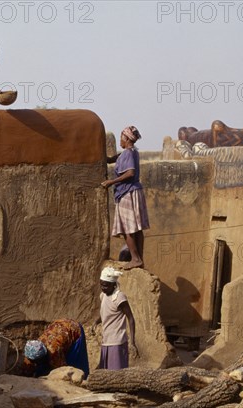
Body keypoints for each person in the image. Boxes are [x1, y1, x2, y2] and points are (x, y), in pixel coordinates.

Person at [101, 125, 150, 270]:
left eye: (122, 137)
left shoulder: (128, 154)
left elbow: (129, 172)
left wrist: (111, 182)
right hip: (135, 191)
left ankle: (135, 259)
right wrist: (109, 159)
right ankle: (140, 259)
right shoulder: (132, 152)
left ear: (127, 138)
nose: (120, 141)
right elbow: (116, 158)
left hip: (127, 193)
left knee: (127, 229)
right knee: (137, 229)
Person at [92, 266, 138, 370]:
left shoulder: (119, 297)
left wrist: (132, 342)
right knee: (106, 372)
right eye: (101, 285)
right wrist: (97, 321)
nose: (103, 287)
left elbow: (130, 318)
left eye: (106, 285)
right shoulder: (103, 296)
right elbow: (107, 312)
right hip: (106, 340)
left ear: (113, 285)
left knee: (117, 374)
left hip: (117, 341)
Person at [22, 319, 90, 379]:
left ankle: (84, 379)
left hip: (73, 329)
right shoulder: (32, 349)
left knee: (75, 363)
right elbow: (27, 367)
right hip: (59, 325)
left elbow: (62, 370)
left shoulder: (53, 352)